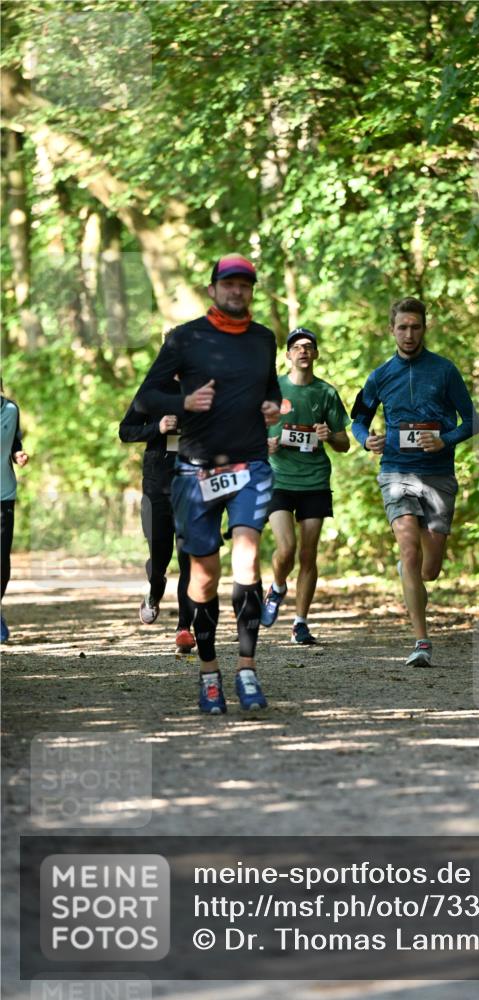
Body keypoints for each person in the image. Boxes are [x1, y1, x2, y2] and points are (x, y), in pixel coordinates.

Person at [135, 253, 281, 714]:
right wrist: (184, 400)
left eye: (246, 285)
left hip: (250, 464)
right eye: (230, 284)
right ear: (213, 289)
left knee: (248, 556)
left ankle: (247, 669)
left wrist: (273, 406)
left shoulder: (263, 339)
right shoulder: (185, 339)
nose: (238, 291)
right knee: (203, 578)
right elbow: (145, 398)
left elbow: (270, 387)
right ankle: (209, 672)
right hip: (195, 470)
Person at [351, 297, 479, 667]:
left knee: (430, 568)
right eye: (402, 327)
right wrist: (365, 439)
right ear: (392, 330)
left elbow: (472, 422)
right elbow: (358, 418)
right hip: (396, 470)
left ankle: (411, 573)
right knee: (409, 548)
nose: (409, 334)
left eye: (416, 327)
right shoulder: (379, 375)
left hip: (438, 474)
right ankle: (421, 641)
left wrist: (446, 439)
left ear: (425, 328)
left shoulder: (444, 371)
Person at [261, 327, 350, 644]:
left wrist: (330, 437)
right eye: (296, 347)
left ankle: (300, 622)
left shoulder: (325, 393)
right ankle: (278, 586)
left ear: (315, 354)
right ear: (287, 355)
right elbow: (248, 432)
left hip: (314, 481)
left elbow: (344, 443)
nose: (303, 351)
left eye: (308, 346)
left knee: (309, 554)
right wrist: (264, 444)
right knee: (286, 549)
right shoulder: (273, 390)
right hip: (278, 479)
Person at [119, 380, 195, 653]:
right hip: (157, 485)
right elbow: (125, 431)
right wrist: (158, 428)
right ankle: (154, 590)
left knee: (190, 559)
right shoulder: (151, 391)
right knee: (159, 556)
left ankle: (185, 628)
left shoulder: (205, 388)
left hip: (192, 485)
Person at [1, 382, 29, 643]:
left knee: (2, 561)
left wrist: (18, 454)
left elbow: (14, 444)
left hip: (4, 494)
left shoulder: (11, 410)